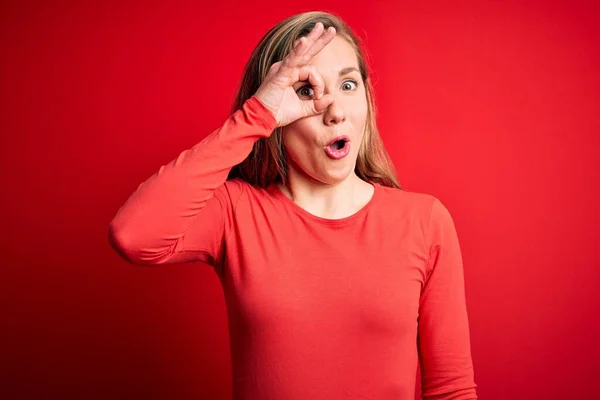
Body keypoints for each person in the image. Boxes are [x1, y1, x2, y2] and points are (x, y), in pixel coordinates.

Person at [108, 10, 478, 400]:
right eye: (306, 91)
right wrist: (255, 116)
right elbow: (134, 236)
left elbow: (451, 388)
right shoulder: (238, 212)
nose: (335, 111)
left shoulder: (424, 221)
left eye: (348, 85)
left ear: (367, 98)